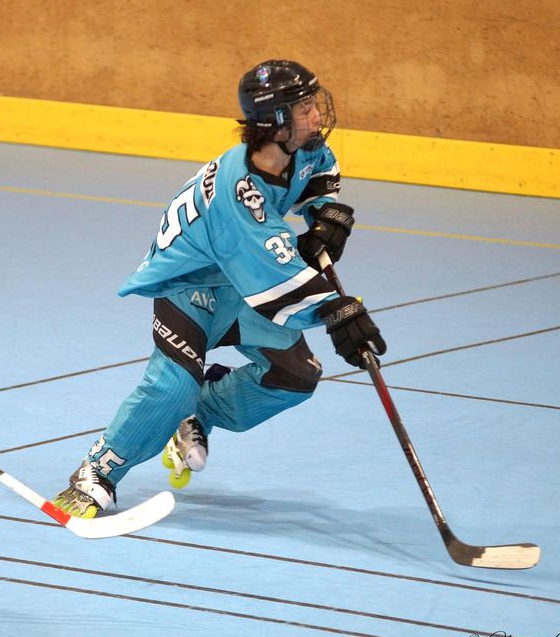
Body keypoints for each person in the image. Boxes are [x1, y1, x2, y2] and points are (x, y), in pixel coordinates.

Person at [52, 59, 386, 518]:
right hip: (189, 287)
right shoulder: (238, 194)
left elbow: (319, 175)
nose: (316, 115)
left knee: (294, 377)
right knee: (172, 388)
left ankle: (199, 414)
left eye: (314, 103)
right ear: (276, 121)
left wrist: (325, 214)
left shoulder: (301, 148)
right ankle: (96, 471)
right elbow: (274, 279)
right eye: (304, 107)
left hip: (237, 280)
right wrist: (338, 312)